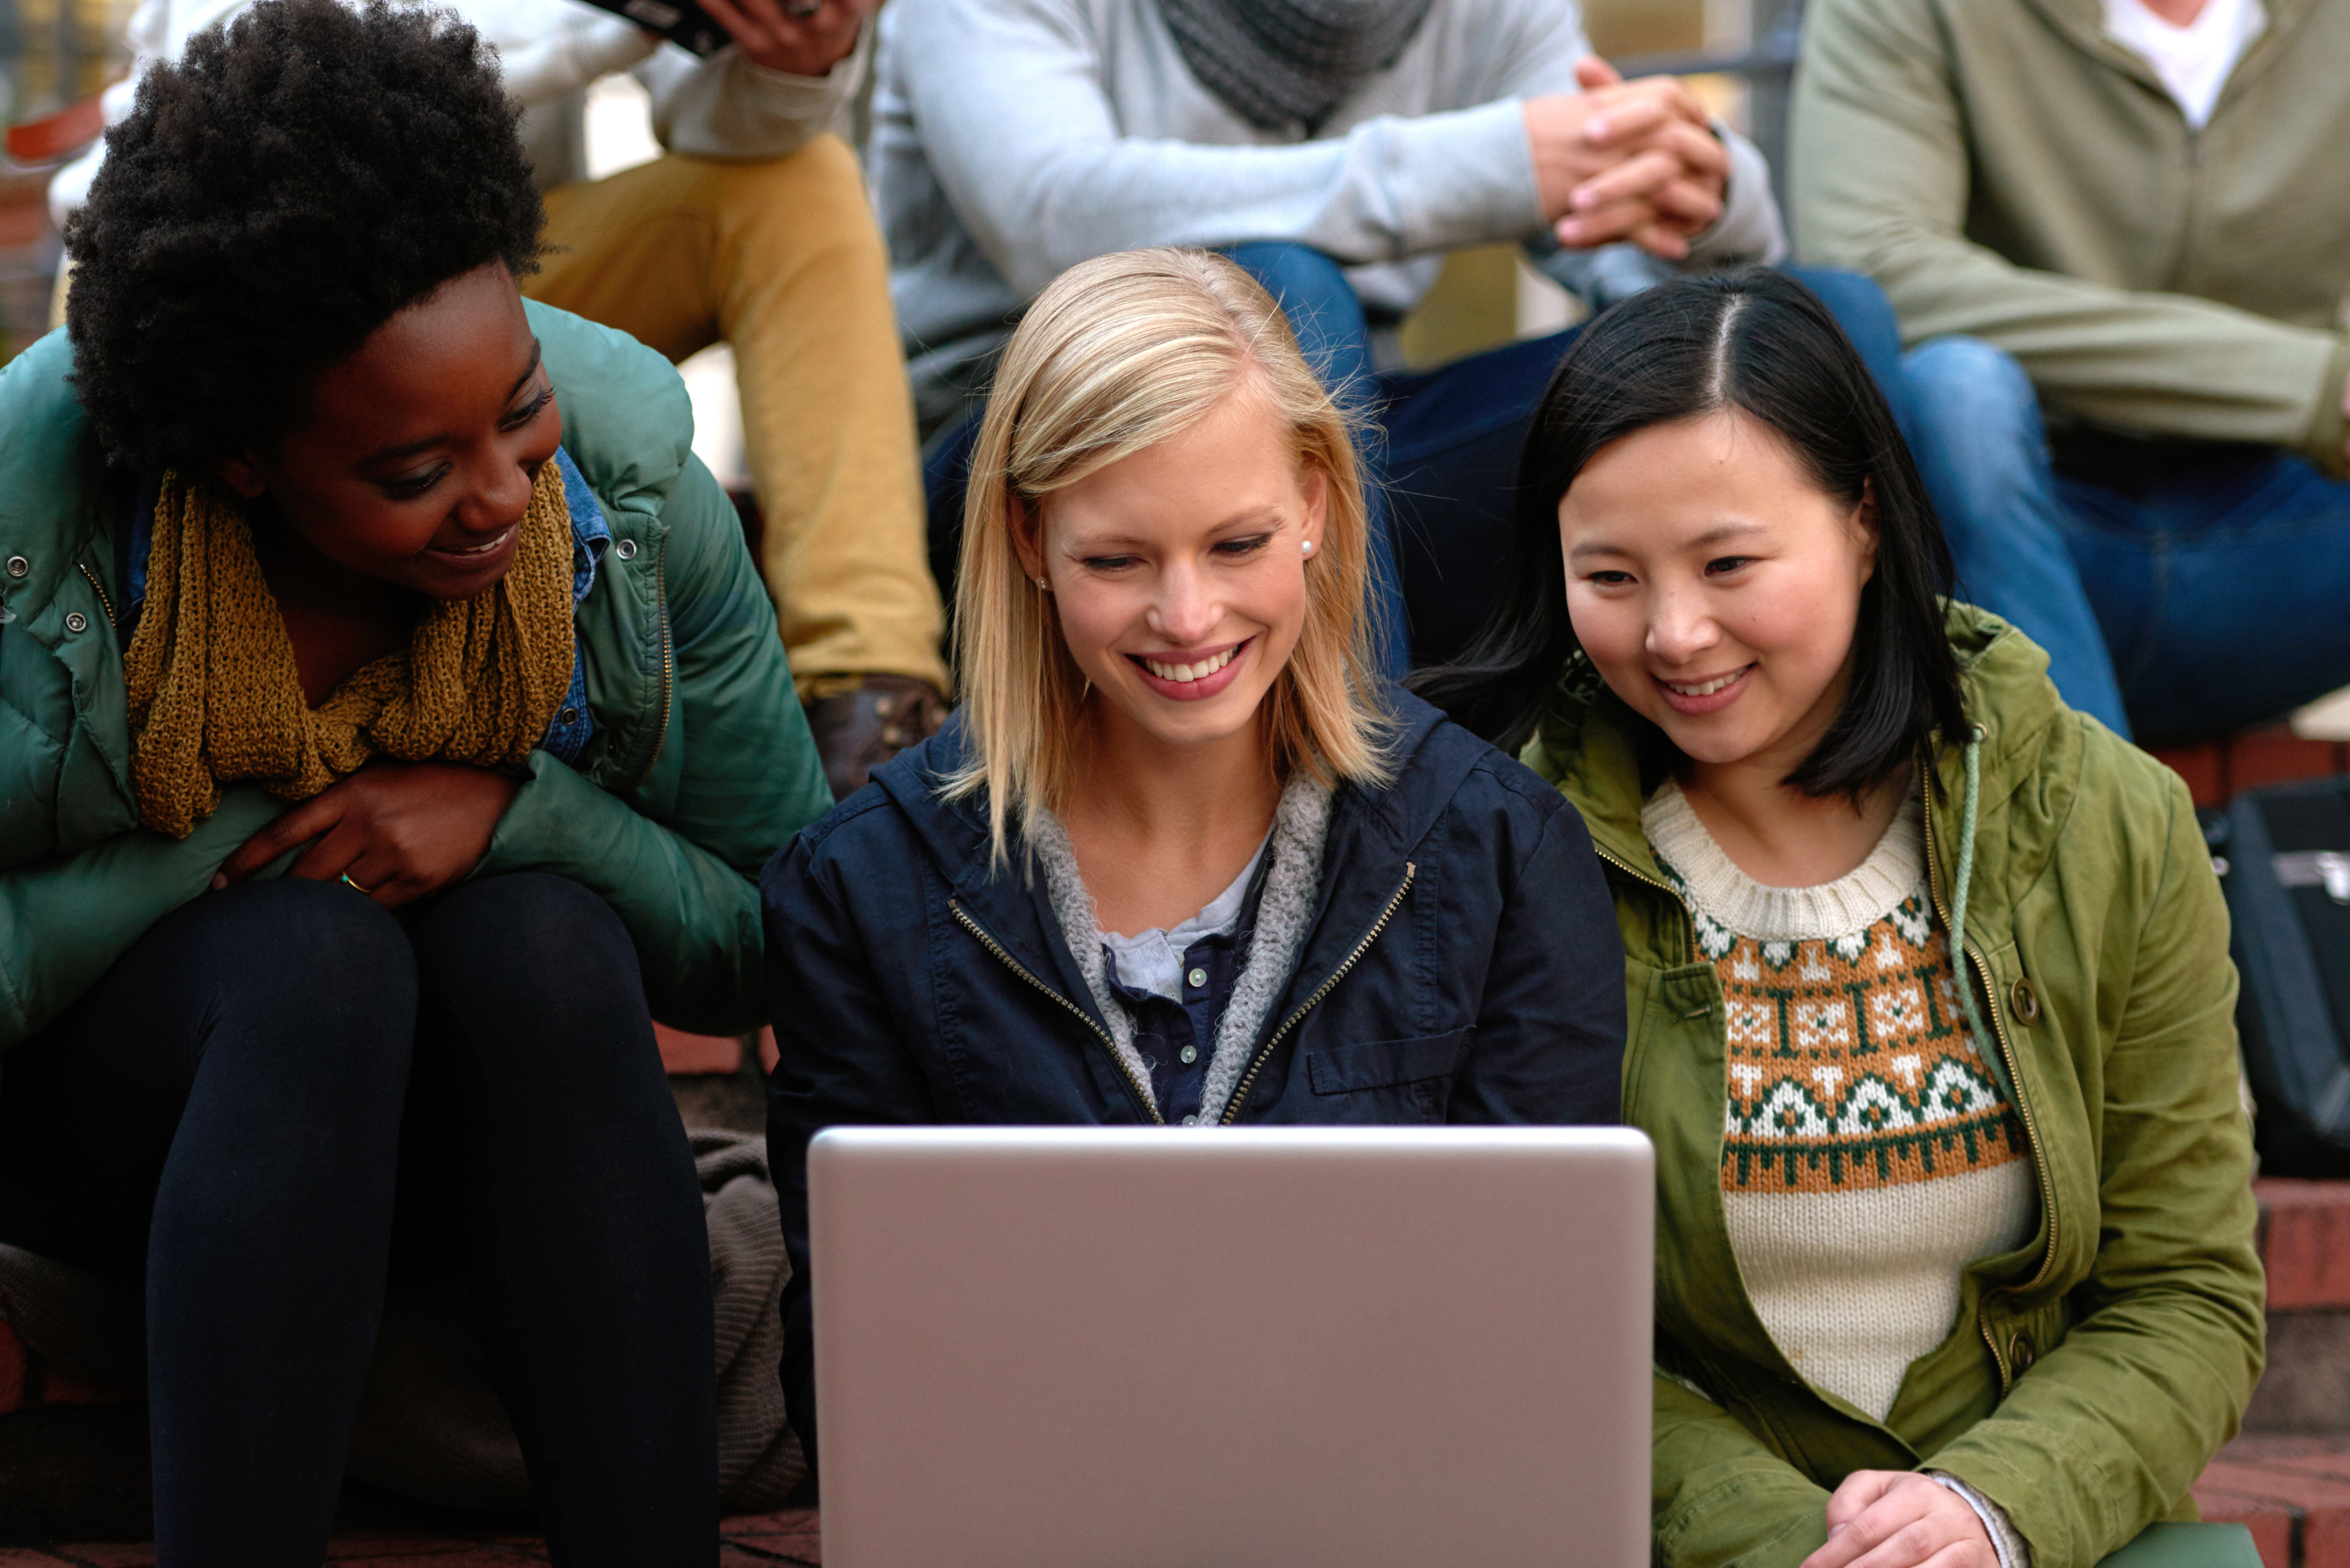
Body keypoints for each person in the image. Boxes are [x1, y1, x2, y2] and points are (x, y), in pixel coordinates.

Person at [0, 1, 832, 1560]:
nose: (505, 495)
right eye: (412, 473)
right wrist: (240, 846)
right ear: (243, 459)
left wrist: (532, 817)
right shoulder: (29, 527)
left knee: (542, 931)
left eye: (518, 407)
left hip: (479, 1173)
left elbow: (776, 933)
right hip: (122, 1156)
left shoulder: (631, 493)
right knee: (315, 955)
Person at [1416, 270, 2263, 1567]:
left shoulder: (2106, 821)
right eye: (1610, 575)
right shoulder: (1499, 851)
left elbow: (2185, 1292)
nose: (1675, 632)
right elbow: (1499, 1326)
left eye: (1729, 563)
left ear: (1862, 520)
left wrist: (1990, 1512)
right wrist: (1794, 1548)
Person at [762, 247, 1628, 1463]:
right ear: (1025, 536)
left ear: (1319, 504)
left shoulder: (1497, 853)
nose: (1186, 619)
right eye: (1118, 559)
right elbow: (849, 1383)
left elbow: (1546, 1350)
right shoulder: (862, 888)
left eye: (1236, 545)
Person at [49, 0, 949, 796]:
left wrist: (783, 52)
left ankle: (871, 697)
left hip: (494, 282)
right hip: (258, 325)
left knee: (805, 183)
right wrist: (611, 20)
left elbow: (725, 134)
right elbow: (236, 92)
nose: (507, 497)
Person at [876, 0, 1845, 674]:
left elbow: (1633, 267)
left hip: (1328, 473)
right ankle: (1369, 810)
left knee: (1823, 322)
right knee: (1275, 290)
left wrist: (1708, 192)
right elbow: (1054, 214)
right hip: (1029, 456)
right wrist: (1487, 164)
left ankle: (1853, 799)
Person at [1790, 0, 2350, 744]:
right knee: (1958, 391)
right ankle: (2093, 839)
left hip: (2294, 522)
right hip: (2013, 525)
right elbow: (1876, 271)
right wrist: (2311, 384)